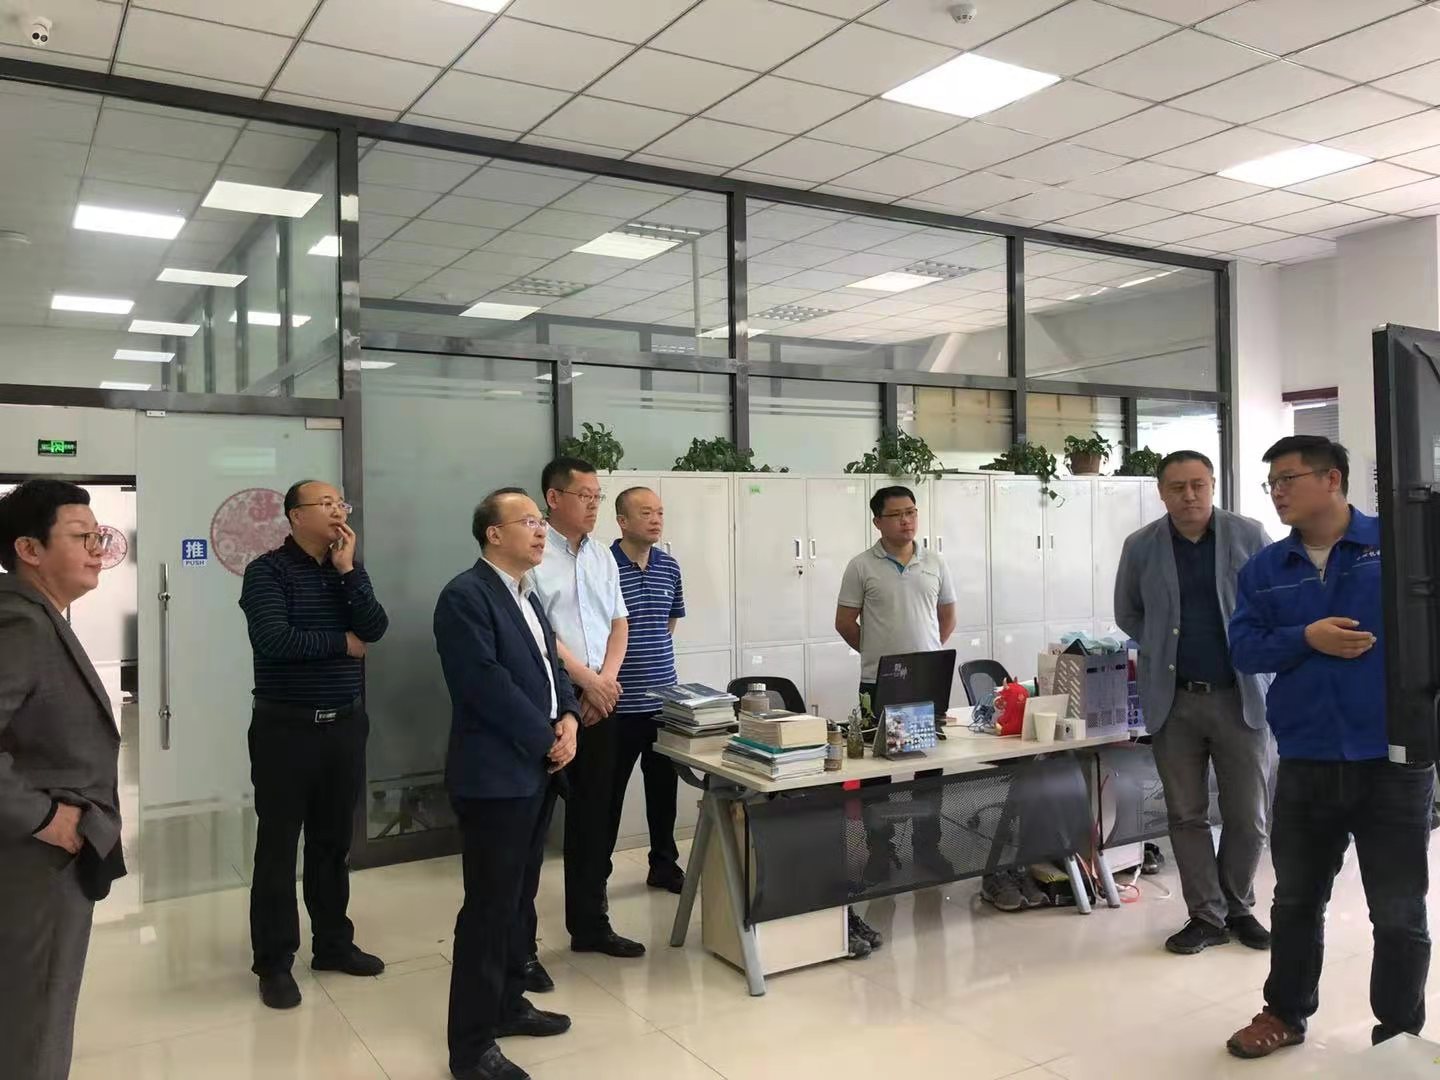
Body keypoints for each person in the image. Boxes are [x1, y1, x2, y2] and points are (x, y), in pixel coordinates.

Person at [1226, 436, 1434, 1059]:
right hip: (1307, 757)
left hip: (1391, 759)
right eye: (1272, 483)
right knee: (1295, 900)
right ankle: (1285, 1012)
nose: (1278, 492)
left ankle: (1397, 1037)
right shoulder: (1266, 569)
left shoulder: (1396, 548)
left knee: (1398, 911)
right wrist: (1306, 637)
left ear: (1333, 479)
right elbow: (1245, 649)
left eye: (1288, 478)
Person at [435, 488, 578, 1080]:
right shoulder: (465, 596)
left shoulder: (526, 593)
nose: (542, 531)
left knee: (519, 900)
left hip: (535, 771)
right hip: (495, 775)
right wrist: (546, 737)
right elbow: (484, 685)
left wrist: (569, 717)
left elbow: (551, 668)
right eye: (529, 521)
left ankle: (508, 1003)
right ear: (493, 534)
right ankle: (471, 1048)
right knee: (489, 910)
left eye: (542, 522)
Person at [1114, 450, 1274, 956]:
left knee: (1248, 815)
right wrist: (1163, 646)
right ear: (1162, 493)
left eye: (1198, 485)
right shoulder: (1142, 546)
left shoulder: (1249, 535)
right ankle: (1206, 915)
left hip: (1240, 697)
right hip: (1175, 702)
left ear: (1212, 486)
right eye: (1178, 487)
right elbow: (1127, 613)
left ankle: (1239, 906)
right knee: (1186, 815)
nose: (1189, 496)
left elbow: (1277, 601)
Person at [238, 480, 389, 1010]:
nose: (337, 511)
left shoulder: (348, 570)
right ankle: (274, 962)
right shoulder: (267, 571)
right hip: (286, 729)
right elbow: (273, 639)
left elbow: (375, 627)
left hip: (344, 726)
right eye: (325, 504)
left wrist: (349, 572)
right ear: (295, 516)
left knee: (332, 842)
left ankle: (332, 943)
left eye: (340, 503)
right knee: (278, 847)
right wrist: (341, 643)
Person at [0, 480, 124, 1080]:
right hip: (34, 859)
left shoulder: (42, 615)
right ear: (29, 548)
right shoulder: (19, 624)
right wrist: (45, 817)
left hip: (47, 855)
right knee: (37, 1019)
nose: (98, 550)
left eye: (99, 536)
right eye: (81, 537)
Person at [835, 484, 958, 953]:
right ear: (878, 521)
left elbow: (947, 616)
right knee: (877, 772)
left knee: (929, 768)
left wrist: (923, 653)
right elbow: (846, 622)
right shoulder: (861, 566)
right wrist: (879, 656)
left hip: (925, 682)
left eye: (911, 512)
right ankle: (879, 851)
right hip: (880, 683)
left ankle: (928, 845)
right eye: (896, 514)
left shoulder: (935, 562)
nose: (907, 521)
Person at [530, 456, 641, 965]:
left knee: (596, 820)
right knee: (532, 828)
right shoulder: (533, 553)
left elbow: (619, 622)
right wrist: (588, 683)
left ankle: (591, 925)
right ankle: (520, 947)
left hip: (601, 704)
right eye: (585, 496)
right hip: (551, 704)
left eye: (599, 497)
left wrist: (606, 683)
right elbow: (539, 634)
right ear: (554, 498)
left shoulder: (601, 556)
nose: (594, 505)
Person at [609, 486, 687, 895]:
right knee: (607, 796)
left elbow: (668, 624)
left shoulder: (669, 567)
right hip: (615, 704)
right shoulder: (603, 566)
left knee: (663, 790)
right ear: (622, 521)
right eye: (645, 513)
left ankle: (664, 865)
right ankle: (595, 875)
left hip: (662, 703)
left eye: (659, 512)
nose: (656, 519)